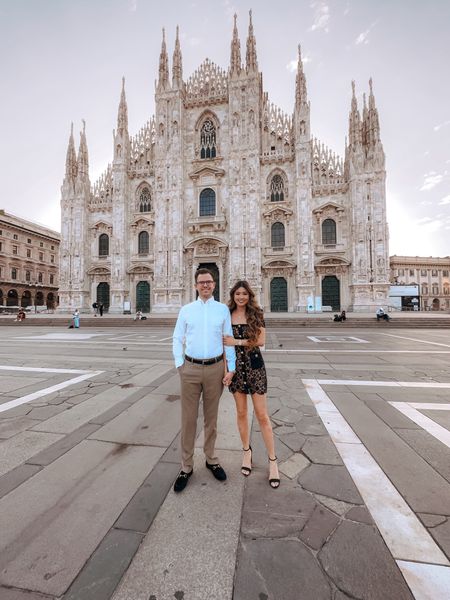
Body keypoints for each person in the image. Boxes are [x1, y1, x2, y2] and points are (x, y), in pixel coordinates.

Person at [172, 268, 236, 493]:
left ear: (214, 284)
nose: (205, 285)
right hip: (190, 368)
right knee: (188, 419)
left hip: (215, 369)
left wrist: (231, 368)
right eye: (201, 282)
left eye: (209, 282)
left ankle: (211, 458)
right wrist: (180, 364)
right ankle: (186, 466)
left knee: (212, 418)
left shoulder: (222, 310)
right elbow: (177, 337)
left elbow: (228, 339)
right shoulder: (186, 310)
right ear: (196, 285)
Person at [223, 280, 280, 489]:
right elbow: (223, 347)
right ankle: (246, 452)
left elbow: (261, 340)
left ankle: (273, 461)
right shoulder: (227, 315)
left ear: (249, 296)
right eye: (237, 294)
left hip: (254, 366)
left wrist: (236, 342)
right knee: (240, 413)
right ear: (233, 295)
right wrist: (227, 371)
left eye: (244, 294)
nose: (241, 297)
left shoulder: (257, 314)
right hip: (236, 369)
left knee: (262, 416)